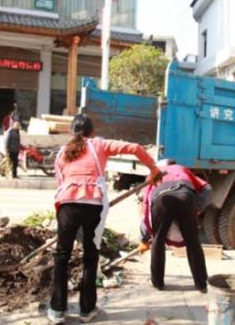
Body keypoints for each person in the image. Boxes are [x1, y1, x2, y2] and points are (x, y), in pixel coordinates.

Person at [48, 113, 161, 324]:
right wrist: (154, 169)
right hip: (93, 206)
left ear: (72, 131)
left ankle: (57, 311)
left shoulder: (63, 152)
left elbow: (59, 183)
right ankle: (87, 311)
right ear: (92, 131)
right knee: (90, 257)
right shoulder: (99, 145)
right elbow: (136, 148)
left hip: (66, 206)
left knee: (61, 256)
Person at [140, 159, 211, 293]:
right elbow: (207, 188)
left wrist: (144, 236)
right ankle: (201, 283)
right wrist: (197, 206)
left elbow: (145, 203)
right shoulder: (182, 168)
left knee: (158, 240)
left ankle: (157, 282)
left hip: (162, 199)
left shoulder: (155, 172)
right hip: (185, 195)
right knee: (193, 241)